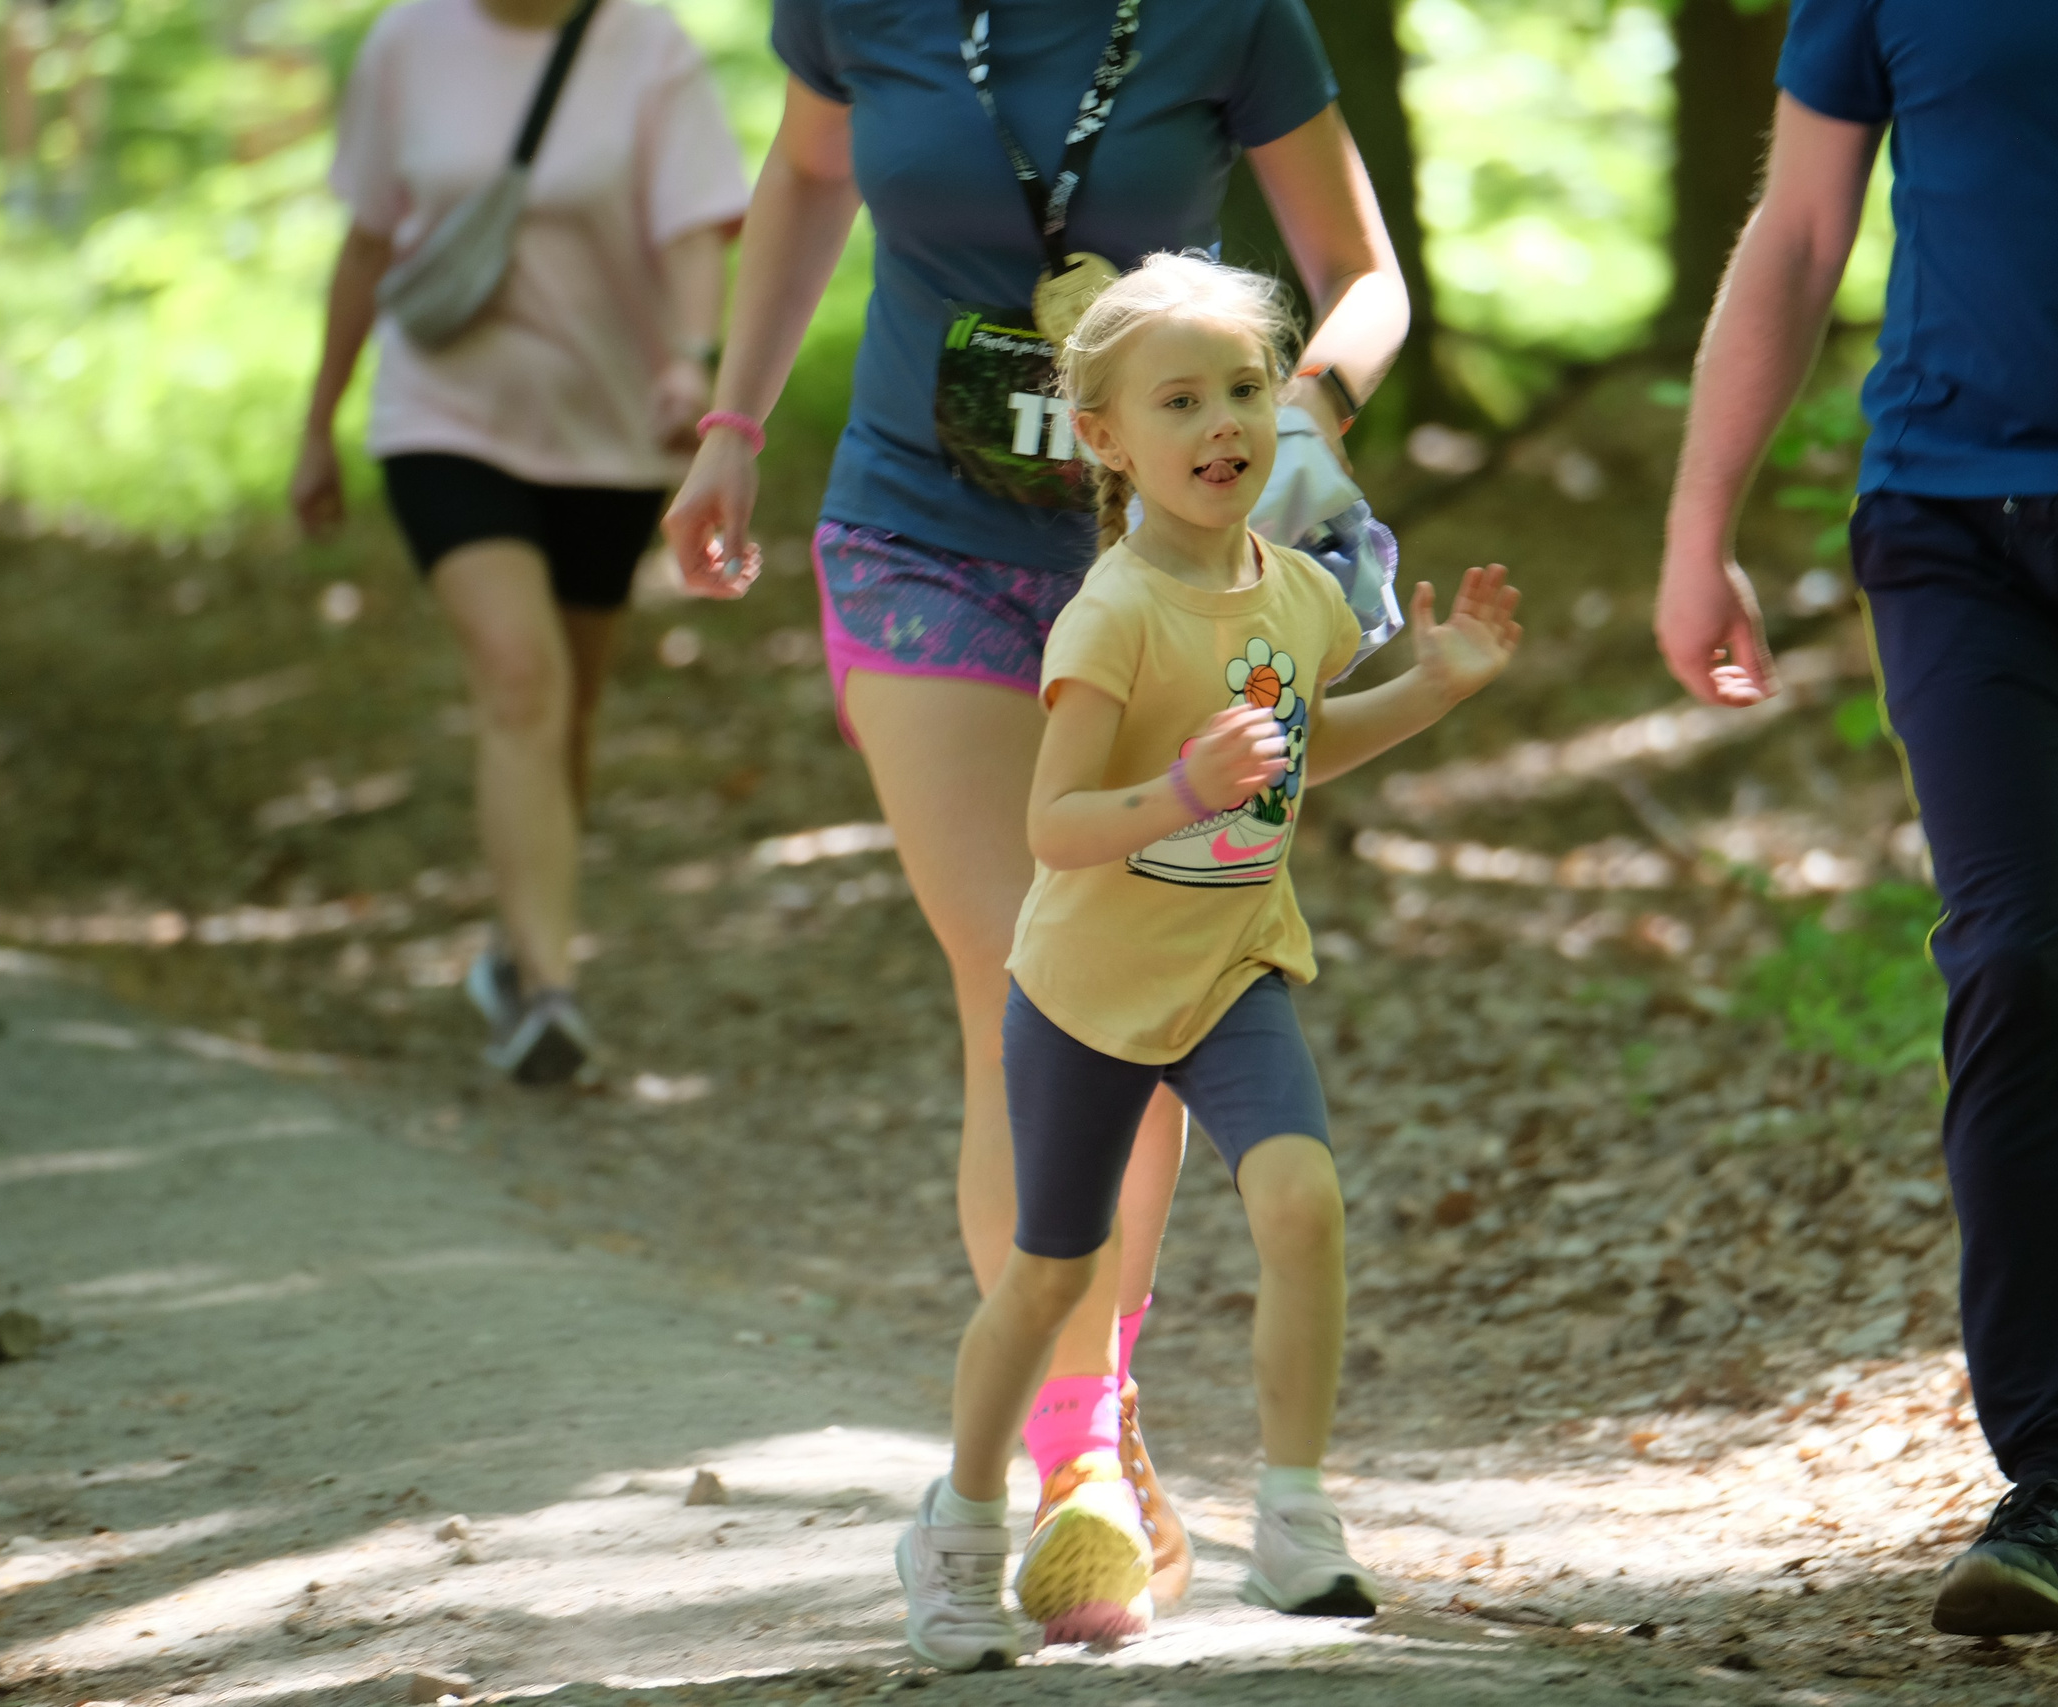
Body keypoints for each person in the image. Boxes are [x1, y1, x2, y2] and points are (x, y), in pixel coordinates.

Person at [661, 0, 1411, 1606]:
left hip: (1159, 565)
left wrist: (1297, 417)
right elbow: (803, 183)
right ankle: (1076, 1444)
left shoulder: (1228, 17)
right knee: (1022, 972)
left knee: (1124, 972)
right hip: (914, 527)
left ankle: (1095, 1389)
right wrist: (734, 423)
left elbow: (1363, 273)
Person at [1656, 0, 2058, 1642]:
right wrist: (1700, 524)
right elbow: (1804, 232)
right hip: (1963, 534)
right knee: (2024, 952)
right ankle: (2052, 1479)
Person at [892, 252, 1520, 1669]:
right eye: (1179, 399)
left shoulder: (1295, 592)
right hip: (1086, 996)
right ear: (1105, 439)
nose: (1223, 421)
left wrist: (1428, 685)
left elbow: (1299, 749)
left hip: (1232, 965)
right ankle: (957, 1523)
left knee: (1301, 1195)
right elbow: (1052, 826)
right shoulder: (1109, 615)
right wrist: (1181, 788)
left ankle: (1292, 1517)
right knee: (1057, 1280)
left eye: (1244, 388)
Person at [292, 0, 747, 1083]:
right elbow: (366, 242)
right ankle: (546, 987)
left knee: (568, 708)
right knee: (518, 678)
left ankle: (512, 943)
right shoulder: (407, 42)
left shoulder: (648, 46)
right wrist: (318, 424)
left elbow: (693, 231)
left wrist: (692, 358)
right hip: (441, 421)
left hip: (609, 436)